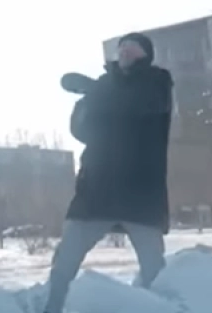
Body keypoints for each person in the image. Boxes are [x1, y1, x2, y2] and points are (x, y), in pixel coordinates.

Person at [41, 32, 174, 313]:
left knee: (155, 273)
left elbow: (140, 106)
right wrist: (88, 100)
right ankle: (51, 309)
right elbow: (82, 130)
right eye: (122, 46)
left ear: (145, 54)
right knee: (64, 263)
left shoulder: (157, 81)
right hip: (95, 191)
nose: (125, 50)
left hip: (140, 192)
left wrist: (98, 92)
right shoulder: (103, 86)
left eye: (133, 46)